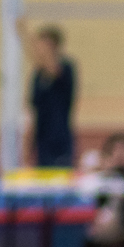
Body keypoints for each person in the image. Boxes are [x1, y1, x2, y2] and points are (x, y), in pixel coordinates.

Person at [24, 21, 77, 168]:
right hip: (41, 140)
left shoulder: (66, 68)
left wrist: (25, 33)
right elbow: (32, 110)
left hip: (59, 140)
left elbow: (52, 69)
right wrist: (28, 146)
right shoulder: (37, 76)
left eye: (43, 45)